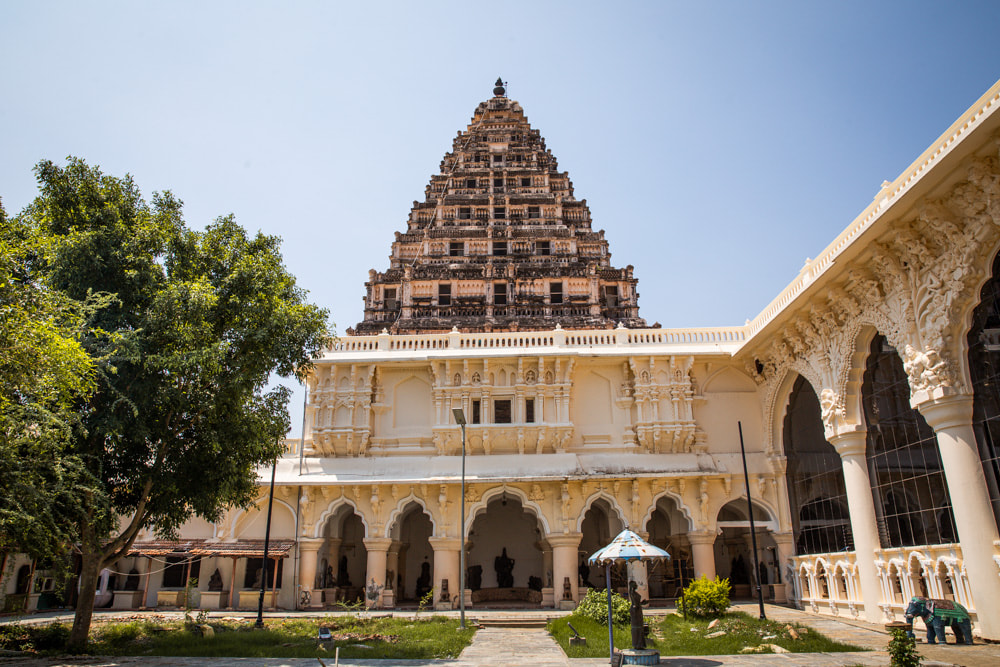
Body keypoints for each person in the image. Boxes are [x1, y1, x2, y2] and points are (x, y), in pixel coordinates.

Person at [629, 580, 646, 650]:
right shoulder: (632, 593)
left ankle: (640, 644)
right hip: (635, 612)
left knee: (640, 627)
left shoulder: (634, 593)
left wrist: (642, 603)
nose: (637, 585)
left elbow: (637, 603)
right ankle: (637, 644)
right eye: (635, 584)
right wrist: (637, 605)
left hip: (638, 611)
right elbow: (635, 604)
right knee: (636, 628)